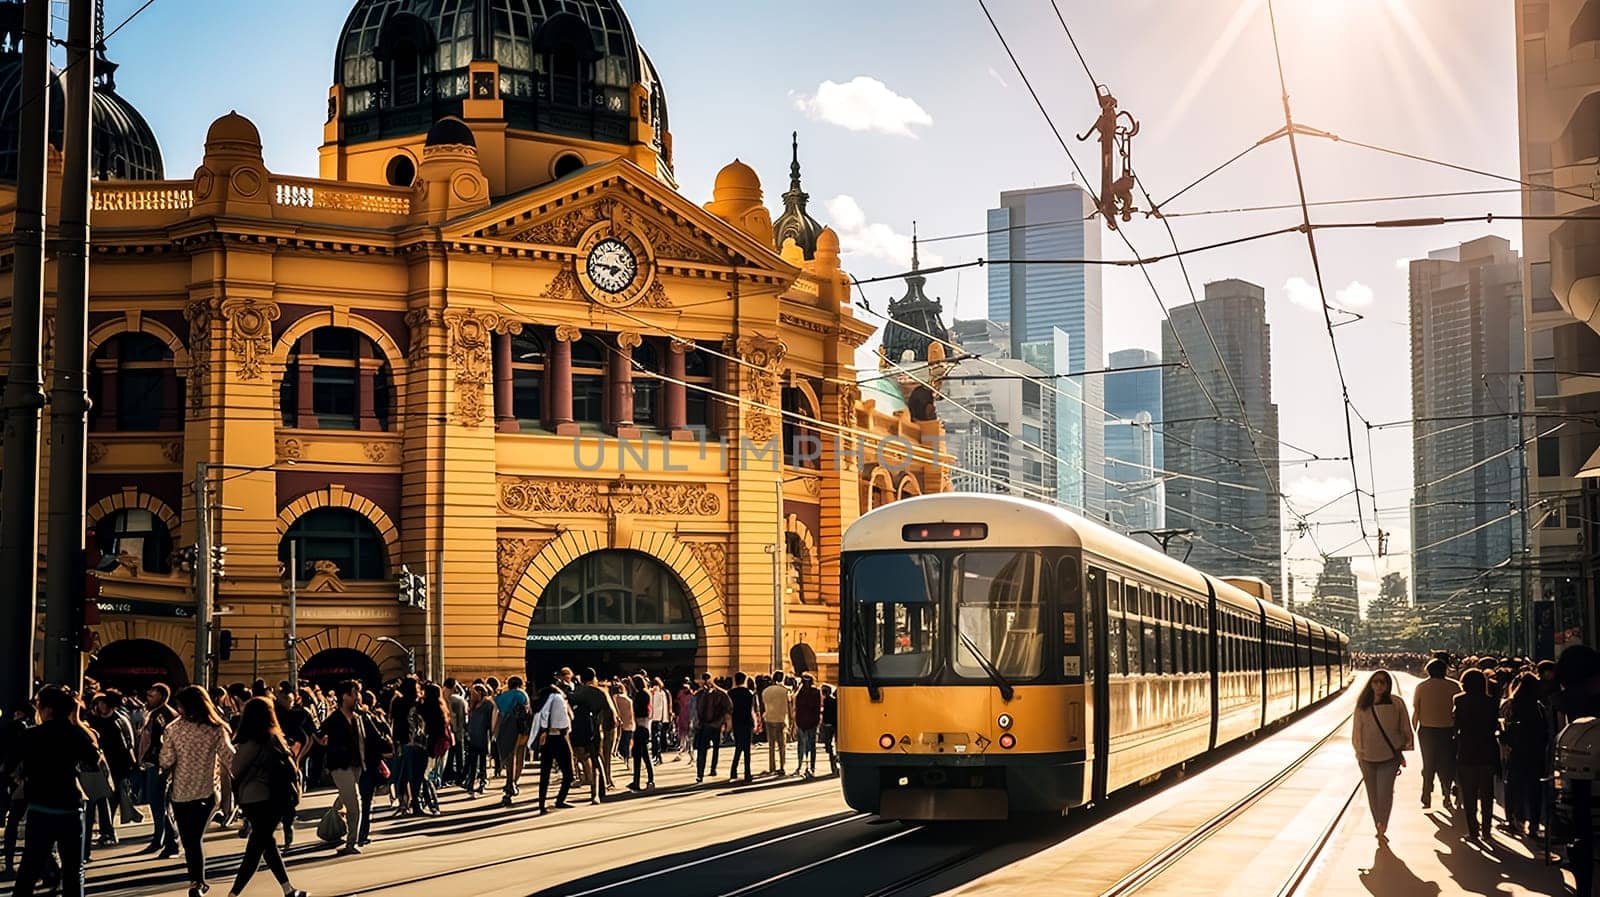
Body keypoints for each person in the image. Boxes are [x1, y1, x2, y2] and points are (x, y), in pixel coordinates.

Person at [6, 686, 103, 897]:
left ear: (47, 710)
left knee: (29, 869)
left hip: (40, 807)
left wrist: (22, 775)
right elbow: (94, 763)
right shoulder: (76, 734)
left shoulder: (31, 735)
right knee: (73, 869)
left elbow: (8, 766)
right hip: (70, 807)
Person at [160, 685, 237, 897]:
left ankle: (196, 882)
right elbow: (230, 758)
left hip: (180, 793)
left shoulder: (173, 729)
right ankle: (197, 883)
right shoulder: (216, 728)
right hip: (208, 792)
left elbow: (166, 760)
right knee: (195, 838)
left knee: (189, 839)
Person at [227, 698, 307, 897]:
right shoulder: (272, 739)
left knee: (265, 843)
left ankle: (288, 889)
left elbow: (235, 770)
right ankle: (234, 893)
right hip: (269, 798)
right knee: (258, 846)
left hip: (253, 798)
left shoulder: (250, 741)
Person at [1351, 670, 1413, 842]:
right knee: (1373, 794)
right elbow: (1357, 729)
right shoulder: (1363, 704)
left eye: (1383, 682)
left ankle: (1382, 824)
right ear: (1370, 684)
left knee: (1385, 793)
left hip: (1389, 757)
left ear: (1388, 685)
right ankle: (1377, 823)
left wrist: (1404, 745)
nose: (1379, 685)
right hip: (1366, 757)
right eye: (1376, 682)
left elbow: (1405, 726)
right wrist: (1359, 751)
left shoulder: (1396, 703)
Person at [315, 680, 368, 855]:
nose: (358, 697)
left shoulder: (359, 717)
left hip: (357, 765)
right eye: (355, 693)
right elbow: (318, 734)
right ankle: (351, 843)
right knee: (355, 804)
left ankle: (330, 824)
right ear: (345, 696)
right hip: (340, 766)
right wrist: (324, 743)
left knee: (345, 799)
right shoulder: (335, 719)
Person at [1453, 668, 1501, 842]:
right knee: (1487, 793)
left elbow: (1456, 725)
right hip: (1487, 749)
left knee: (1469, 793)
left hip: (1467, 750)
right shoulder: (1492, 702)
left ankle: (1473, 832)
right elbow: (1494, 725)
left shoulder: (1459, 700)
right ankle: (1487, 831)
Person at [1501, 671, 1550, 837]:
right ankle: (1534, 825)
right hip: (1535, 753)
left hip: (1516, 752)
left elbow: (1504, 728)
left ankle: (1516, 820)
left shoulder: (1511, 704)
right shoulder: (1539, 707)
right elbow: (1545, 732)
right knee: (1534, 789)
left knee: (1515, 786)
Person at [86, 694, 136, 847]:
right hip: (100, 765)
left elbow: (128, 743)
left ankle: (107, 830)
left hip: (116, 766)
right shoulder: (93, 720)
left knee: (110, 799)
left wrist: (130, 765)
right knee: (101, 799)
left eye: (102, 703)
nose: (99, 706)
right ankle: (106, 830)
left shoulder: (119, 721)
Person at [1411, 657, 1460, 810]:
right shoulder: (1454, 686)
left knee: (1428, 762)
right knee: (1447, 763)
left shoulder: (1421, 686)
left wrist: (1415, 728)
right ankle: (1446, 794)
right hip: (1448, 730)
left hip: (1427, 730)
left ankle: (1427, 792)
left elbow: (1416, 709)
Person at [137, 682, 180, 857]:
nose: (148, 698)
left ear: (162, 696)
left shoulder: (162, 715)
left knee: (159, 802)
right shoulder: (157, 713)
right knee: (158, 803)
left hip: (159, 765)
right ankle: (160, 839)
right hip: (157, 764)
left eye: (152, 695)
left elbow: (161, 741)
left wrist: (153, 759)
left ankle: (166, 840)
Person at [569, 669, 614, 805]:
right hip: (595, 729)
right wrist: (608, 731)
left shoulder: (577, 692)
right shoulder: (600, 692)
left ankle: (593, 785)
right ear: (594, 678)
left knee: (584, 757)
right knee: (597, 759)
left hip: (579, 729)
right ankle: (597, 792)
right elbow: (609, 713)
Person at [531, 684, 574, 815]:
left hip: (547, 740)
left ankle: (542, 804)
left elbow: (543, 714)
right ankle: (560, 800)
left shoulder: (545, 699)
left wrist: (543, 730)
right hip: (558, 737)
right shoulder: (557, 697)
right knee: (568, 773)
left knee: (545, 773)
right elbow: (567, 720)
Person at [493, 676, 531, 807]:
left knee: (510, 755)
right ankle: (514, 781)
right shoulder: (522, 694)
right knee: (519, 753)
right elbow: (527, 710)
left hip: (506, 725)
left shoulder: (502, 696)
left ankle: (510, 782)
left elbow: (498, 709)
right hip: (521, 727)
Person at [695, 677, 730, 783]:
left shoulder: (702, 694)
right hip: (711, 725)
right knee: (709, 749)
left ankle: (705, 771)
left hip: (710, 725)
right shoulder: (704, 694)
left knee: (707, 749)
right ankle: (705, 771)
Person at [464, 685, 494, 796]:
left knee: (482, 761)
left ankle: (482, 782)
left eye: (473, 693)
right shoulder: (473, 705)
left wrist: (492, 733)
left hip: (483, 736)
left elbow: (492, 719)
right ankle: (471, 783)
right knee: (472, 762)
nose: (471, 696)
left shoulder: (488, 704)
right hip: (473, 736)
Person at [761, 671, 793, 777]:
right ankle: (782, 767)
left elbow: (764, 705)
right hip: (781, 719)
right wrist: (791, 720)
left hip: (769, 718)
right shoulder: (785, 691)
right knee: (781, 745)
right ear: (783, 679)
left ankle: (772, 767)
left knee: (771, 745)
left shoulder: (766, 691)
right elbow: (789, 707)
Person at [727, 672, 755, 783]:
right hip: (747, 722)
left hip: (736, 722)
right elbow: (751, 709)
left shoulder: (731, 693)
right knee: (747, 749)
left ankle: (733, 771)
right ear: (744, 680)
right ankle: (747, 773)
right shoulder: (749, 693)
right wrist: (755, 723)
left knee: (738, 747)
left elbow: (729, 710)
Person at [628, 675, 654, 790]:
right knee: (639, 755)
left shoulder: (641, 695)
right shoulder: (645, 693)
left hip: (640, 726)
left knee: (643, 755)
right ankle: (637, 780)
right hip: (643, 726)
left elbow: (638, 710)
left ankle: (649, 780)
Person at [794, 674, 822, 778]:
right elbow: (817, 708)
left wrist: (796, 721)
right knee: (811, 745)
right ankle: (811, 766)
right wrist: (817, 721)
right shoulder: (816, 692)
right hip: (812, 722)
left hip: (801, 722)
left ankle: (801, 765)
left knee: (802, 745)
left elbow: (797, 708)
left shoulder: (799, 692)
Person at [818, 684, 839, 776]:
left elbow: (825, 713)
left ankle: (833, 763)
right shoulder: (835, 701)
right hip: (835, 724)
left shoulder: (827, 700)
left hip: (828, 725)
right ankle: (834, 762)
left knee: (829, 744)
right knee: (834, 743)